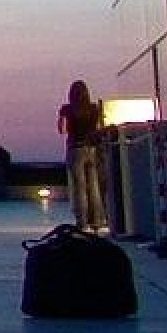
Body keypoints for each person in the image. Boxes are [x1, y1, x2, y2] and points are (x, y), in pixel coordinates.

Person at [59, 78, 107, 229]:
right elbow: (99, 128)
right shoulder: (94, 108)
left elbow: (62, 130)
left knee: (79, 188)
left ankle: (82, 222)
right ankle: (98, 220)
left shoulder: (67, 109)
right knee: (94, 186)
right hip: (92, 149)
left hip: (75, 149)